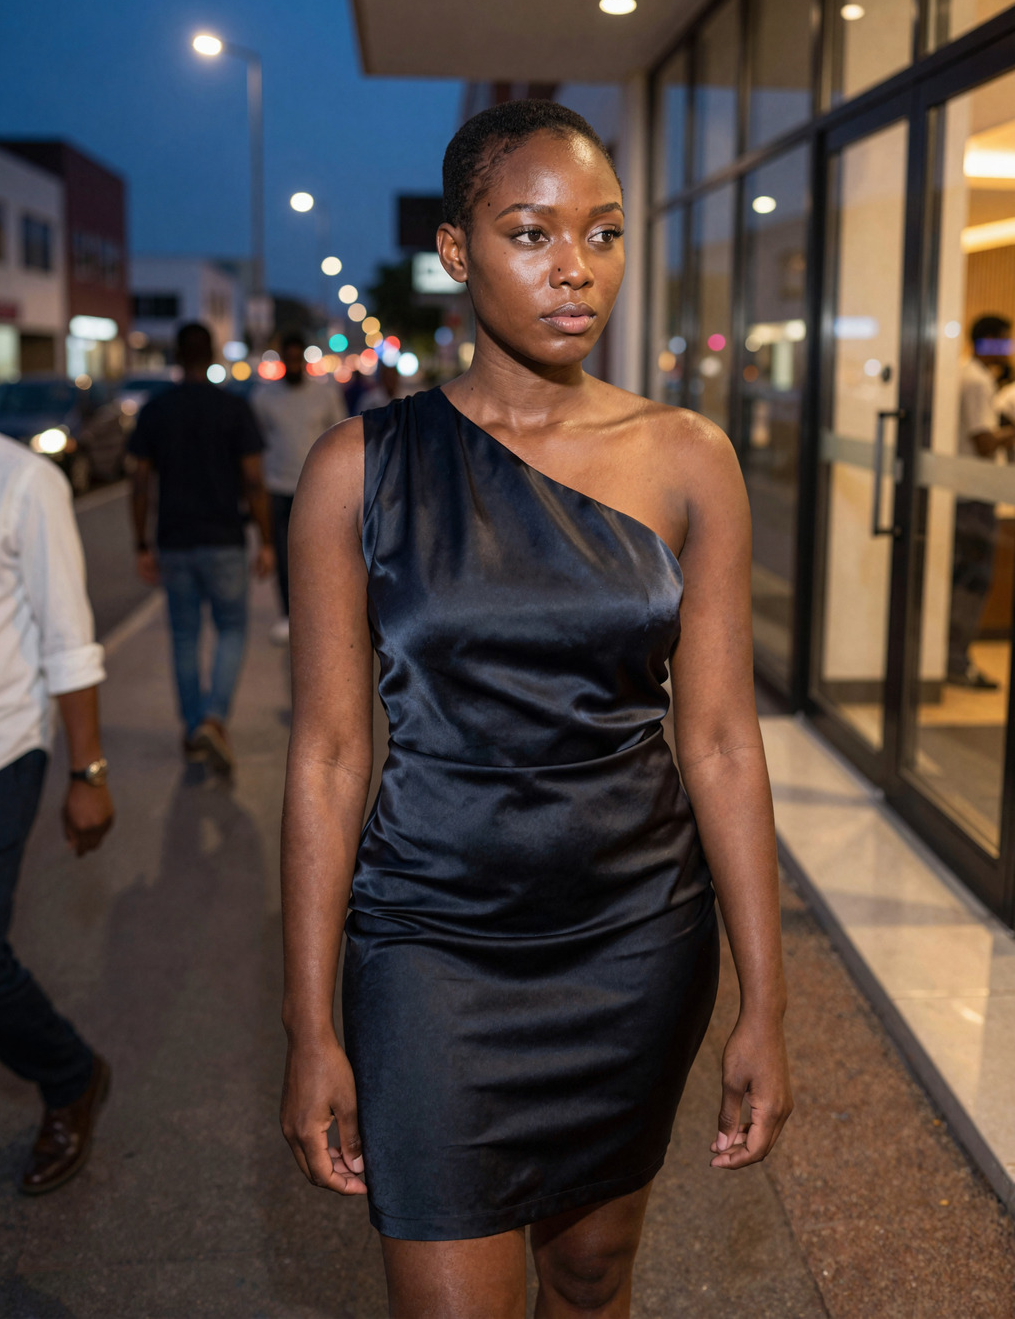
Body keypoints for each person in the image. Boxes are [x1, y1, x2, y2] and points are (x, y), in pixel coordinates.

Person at [279, 100, 792, 1317]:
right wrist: (308, 1026)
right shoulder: (358, 471)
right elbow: (327, 758)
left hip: (635, 938)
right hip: (428, 943)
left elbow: (717, 741)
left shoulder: (686, 458)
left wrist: (767, 1003)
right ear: (457, 251)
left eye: (604, 235)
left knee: (591, 1268)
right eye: (530, 233)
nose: (576, 269)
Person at [0, 429, 114, 1193]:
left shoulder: (23, 480)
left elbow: (69, 638)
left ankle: (70, 1074)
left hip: (2, 746)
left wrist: (87, 770)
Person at [129, 322, 275, 774]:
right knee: (232, 629)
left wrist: (141, 543)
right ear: (212, 355)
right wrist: (267, 541)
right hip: (224, 538)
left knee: (184, 637)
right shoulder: (233, 408)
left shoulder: (155, 410)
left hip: (174, 539)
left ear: (175, 356)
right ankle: (214, 717)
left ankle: (194, 726)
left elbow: (139, 484)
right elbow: (253, 479)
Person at [251, 331, 346, 644]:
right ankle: (287, 615)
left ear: (304, 359)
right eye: (286, 359)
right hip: (278, 487)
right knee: (283, 553)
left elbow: (340, 435)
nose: (292, 364)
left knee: (321, 553)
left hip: (317, 489)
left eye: (296, 358)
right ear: (281, 360)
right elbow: (258, 446)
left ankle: (319, 614)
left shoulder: (325, 394)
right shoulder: (263, 398)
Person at [948, 314, 1015, 689]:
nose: (1008, 349)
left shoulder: (968, 374)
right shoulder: (977, 380)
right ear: (988, 341)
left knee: (966, 578)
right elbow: (984, 444)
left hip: (966, 493)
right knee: (973, 581)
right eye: (1004, 341)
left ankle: (954, 657)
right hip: (973, 496)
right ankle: (957, 660)